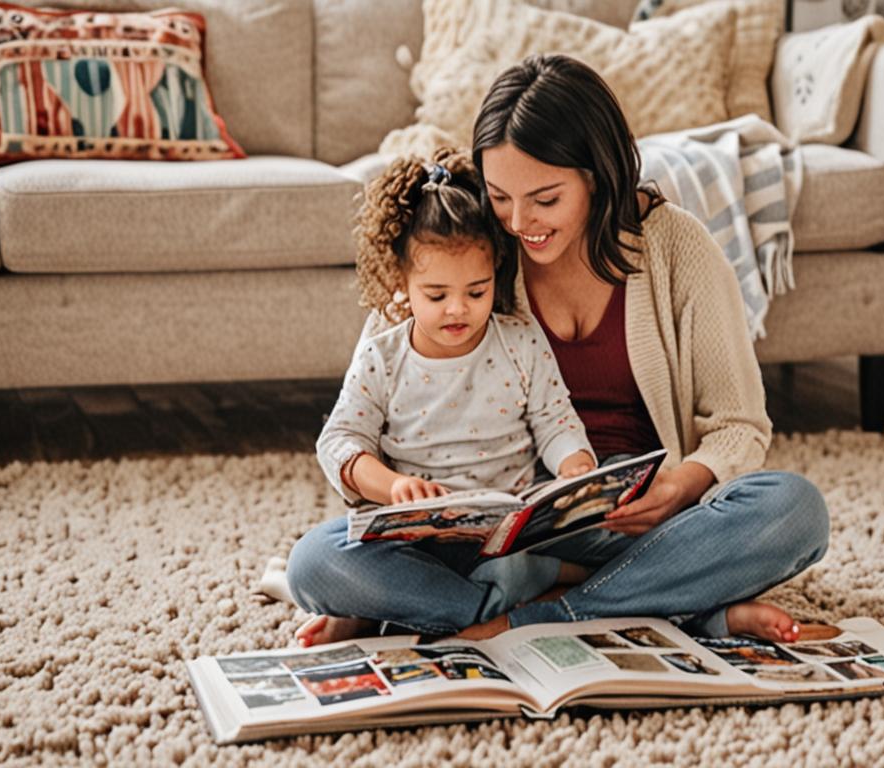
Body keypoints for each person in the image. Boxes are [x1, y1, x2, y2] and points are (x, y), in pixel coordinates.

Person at [461, 53, 831, 642]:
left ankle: (549, 612)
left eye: (545, 199)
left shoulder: (677, 247)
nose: (518, 221)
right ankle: (689, 607)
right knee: (324, 561)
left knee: (795, 509)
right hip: (514, 522)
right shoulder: (481, 246)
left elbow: (739, 425)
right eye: (500, 195)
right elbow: (394, 374)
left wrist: (681, 485)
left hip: (648, 522)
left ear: (597, 175)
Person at [286, 147, 596, 646]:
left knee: (609, 535)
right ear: (400, 283)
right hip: (415, 545)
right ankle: (500, 607)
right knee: (310, 564)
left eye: (477, 292)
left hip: (504, 542)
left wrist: (575, 463)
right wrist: (392, 486)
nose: (458, 310)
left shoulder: (518, 339)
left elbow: (555, 421)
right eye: (436, 295)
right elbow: (341, 439)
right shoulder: (384, 352)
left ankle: (397, 609)